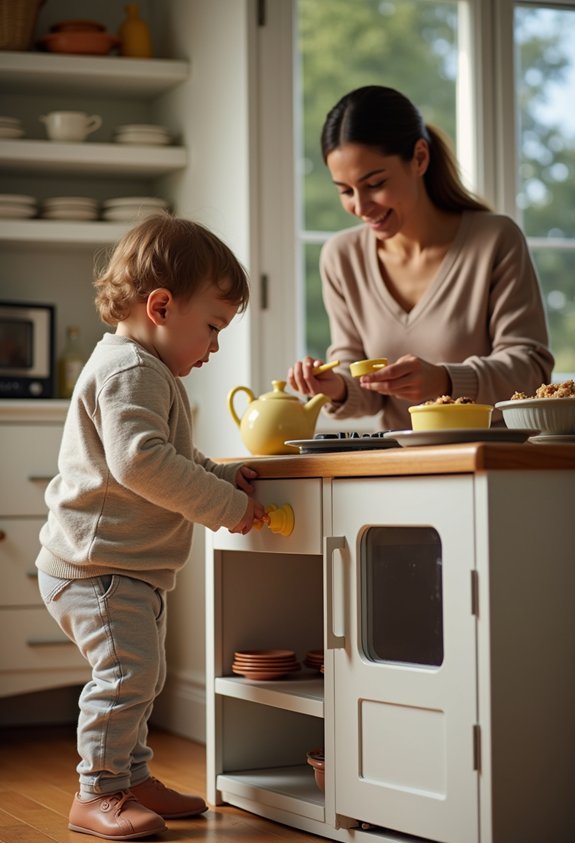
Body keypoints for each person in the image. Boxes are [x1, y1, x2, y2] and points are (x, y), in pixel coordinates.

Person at [35, 214, 265, 840]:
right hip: (97, 567)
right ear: (161, 305)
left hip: (120, 566)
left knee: (141, 674)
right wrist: (225, 508)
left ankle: (131, 776)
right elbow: (140, 461)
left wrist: (223, 475)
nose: (214, 347)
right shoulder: (131, 370)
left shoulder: (142, 367)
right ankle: (99, 792)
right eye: (213, 327)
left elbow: (173, 454)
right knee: (124, 676)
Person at [288, 85, 554, 430]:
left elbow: (531, 372)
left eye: (374, 183)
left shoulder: (495, 240)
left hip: (494, 462)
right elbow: (362, 380)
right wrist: (336, 388)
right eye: (344, 190)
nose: (360, 206)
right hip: (400, 465)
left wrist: (446, 381)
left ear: (419, 158)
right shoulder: (341, 258)